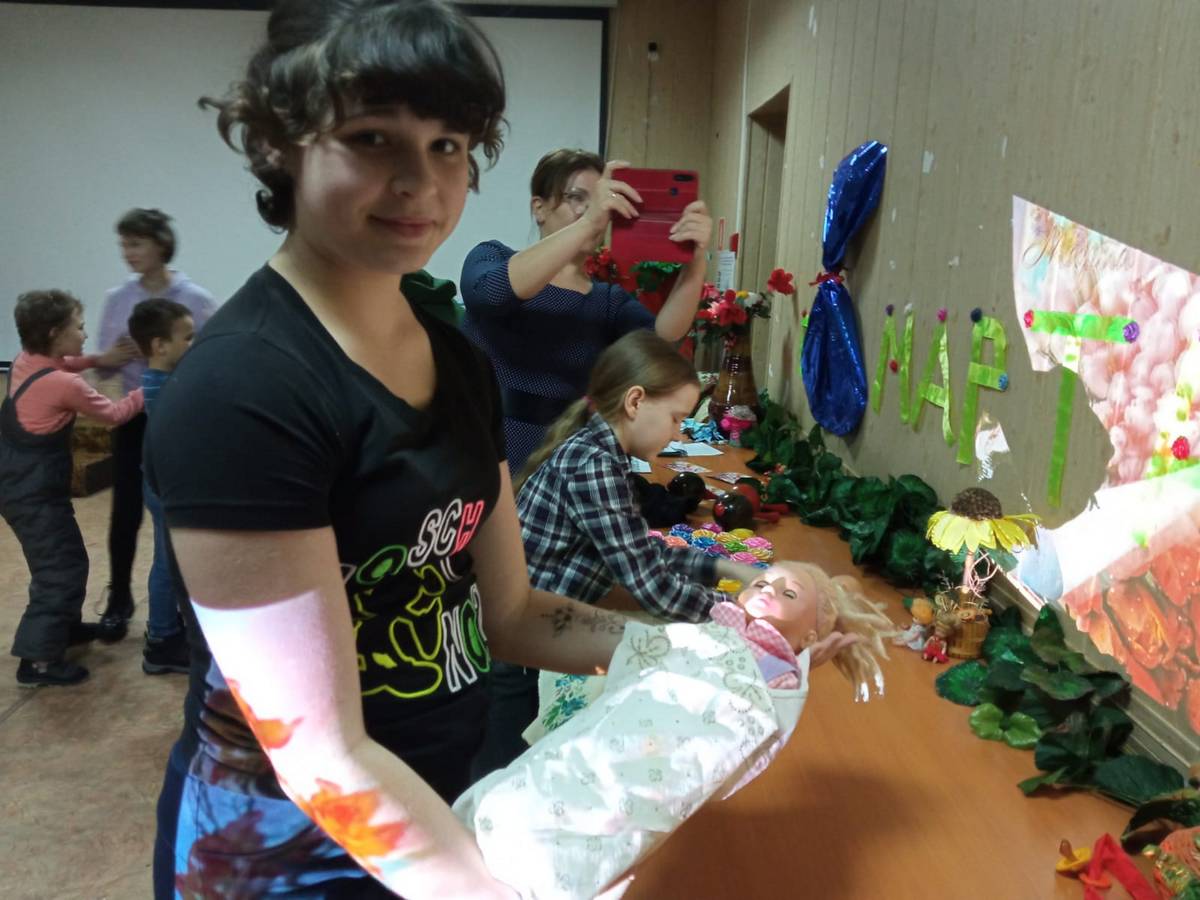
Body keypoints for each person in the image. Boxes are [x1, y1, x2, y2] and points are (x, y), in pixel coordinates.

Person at [146, 2, 639, 896]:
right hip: (286, 856)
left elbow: (512, 613)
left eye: (448, 145)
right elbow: (323, 754)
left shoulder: (457, 360)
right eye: (373, 139)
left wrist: (696, 647)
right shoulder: (243, 390)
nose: (421, 182)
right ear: (281, 146)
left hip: (435, 811)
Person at [455, 562, 897, 900]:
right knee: (551, 778)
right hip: (613, 734)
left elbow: (747, 722)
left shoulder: (774, 675)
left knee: (596, 822)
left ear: (811, 637)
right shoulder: (710, 635)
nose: (768, 589)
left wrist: (787, 678)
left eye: (789, 593)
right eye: (763, 581)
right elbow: (664, 650)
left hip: (646, 766)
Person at [470, 330, 768, 776]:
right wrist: (743, 617)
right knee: (504, 774)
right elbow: (653, 587)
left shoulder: (603, 453)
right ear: (635, 401)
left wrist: (729, 569)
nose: (678, 432)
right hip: (519, 651)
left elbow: (642, 553)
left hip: (537, 633)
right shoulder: (594, 465)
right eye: (675, 418)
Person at [460, 148, 713, 476]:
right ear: (539, 208)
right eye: (576, 198)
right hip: (479, 451)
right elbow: (493, 294)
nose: (592, 209)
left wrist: (695, 262)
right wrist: (589, 222)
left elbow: (662, 342)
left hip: (565, 461)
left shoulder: (607, 301)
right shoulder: (491, 257)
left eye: (599, 200)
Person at [1, 290, 142, 686]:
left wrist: (99, 359)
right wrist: (151, 384)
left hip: (20, 483)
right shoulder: (64, 385)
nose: (84, 333)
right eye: (78, 327)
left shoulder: (26, 360)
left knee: (68, 559)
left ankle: (63, 628)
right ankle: (38, 661)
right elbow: (114, 414)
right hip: (32, 493)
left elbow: (66, 362)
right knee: (58, 571)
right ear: (54, 333)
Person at [95, 208, 216, 642]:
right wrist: (109, 359)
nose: (128, 253)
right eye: (123, 245)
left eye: (136, 243)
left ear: (161, 244)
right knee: (125, 511)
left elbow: (215, 355)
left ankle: (185, 605)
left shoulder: (195, 298)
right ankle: (119, 599)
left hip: (181, 418)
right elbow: (104, 367)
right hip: (135, 416)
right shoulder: (117, 298)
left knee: (181, 517)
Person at [126, 298, 195, 674]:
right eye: (188, 337)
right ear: (159, 346)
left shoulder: (163, 381)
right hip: (167, 487)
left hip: (164, 483)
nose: (194, 344)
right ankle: (162, 641)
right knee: (168, 566)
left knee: (169, 562)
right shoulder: (165, 386)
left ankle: (168, 628)